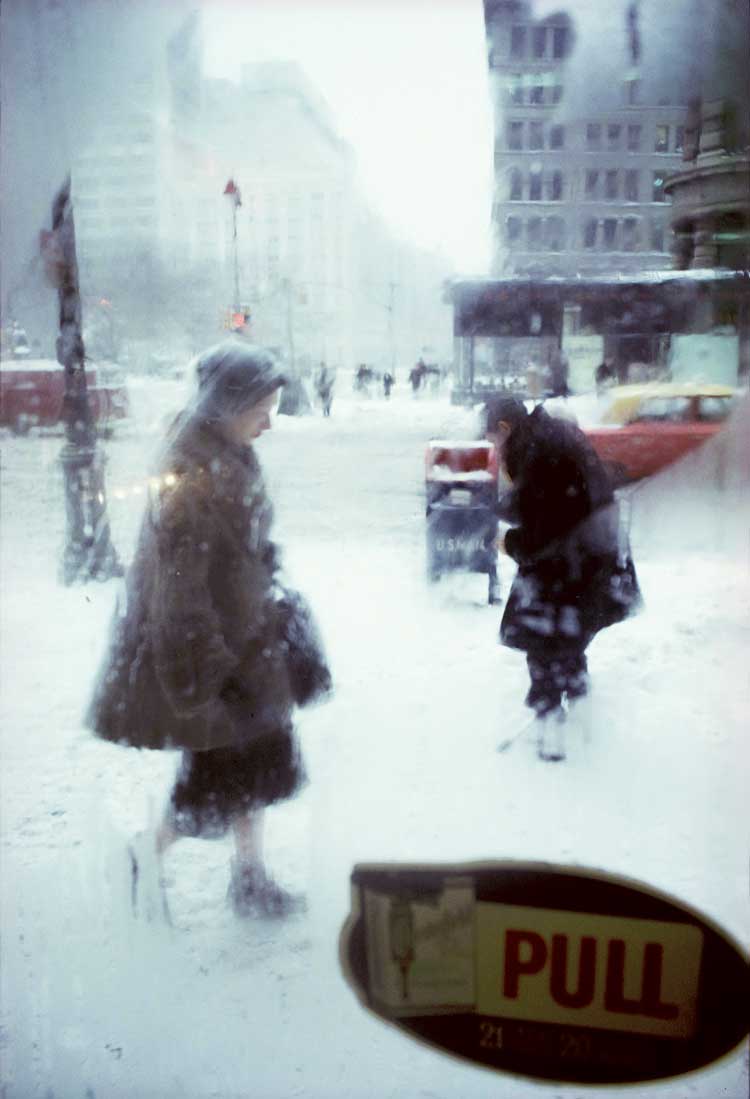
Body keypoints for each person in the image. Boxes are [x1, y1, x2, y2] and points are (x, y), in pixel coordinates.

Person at [86, 341, 314, 919]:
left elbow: (240, 543)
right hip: (215, 654)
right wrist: (214, 673)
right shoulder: (191, 469)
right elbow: (179, 589)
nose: (271, 420)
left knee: (255, 765)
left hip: (244, 641)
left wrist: (267, 569)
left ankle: (248, 877)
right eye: (261, 407)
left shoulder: (228, 450)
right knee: (213, 780)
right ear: (228, 404)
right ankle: (145, 856)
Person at [484, 395, 642, 760]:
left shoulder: (533, 451)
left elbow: (545, 528)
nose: (494, 449)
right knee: (567, 633)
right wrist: (505, 509)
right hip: (594, 554)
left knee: (539, 637)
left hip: (571, 560)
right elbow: (548, 498)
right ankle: (583, 713)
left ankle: (550, 727)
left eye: (493, 439)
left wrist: (508, 541)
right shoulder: (546, 433)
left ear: (505, 429)